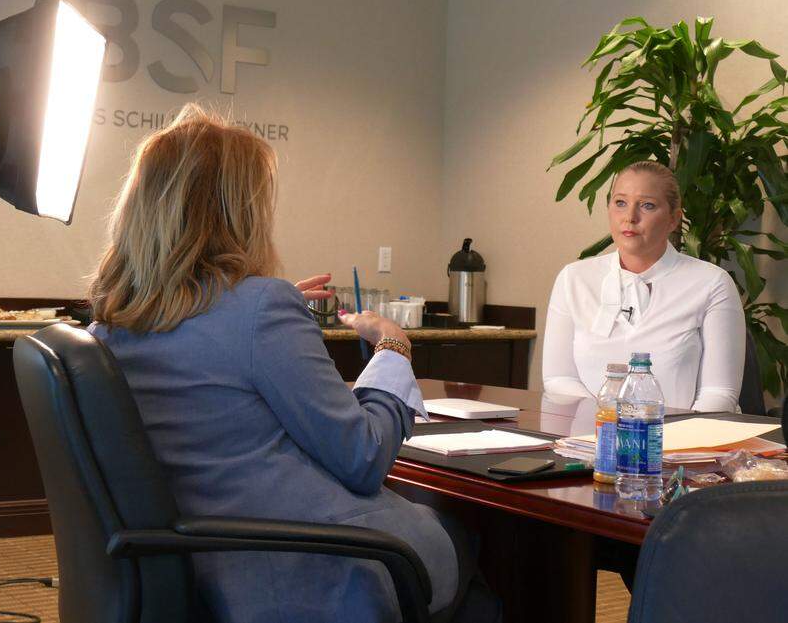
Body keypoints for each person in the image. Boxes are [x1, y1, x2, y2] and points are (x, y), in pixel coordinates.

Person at [87, 104, 498, 623]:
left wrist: (267, 310)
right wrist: (393, 350)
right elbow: (363, 457)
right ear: (235, 212)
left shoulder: (109, 327)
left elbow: (216, 362)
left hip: (189, 564)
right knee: (469, 548)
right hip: (300, 566)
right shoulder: (259, 309)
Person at [543, 160, 744, 412]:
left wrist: (671, 439)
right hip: (592, 438)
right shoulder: (574, 278)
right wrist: (607, 426)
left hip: (682, 443)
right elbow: (559, 379)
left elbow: (719, 393)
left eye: (647, 205)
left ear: (673, 219)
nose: (630, 217)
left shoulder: (712, 283)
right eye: (620, 203)